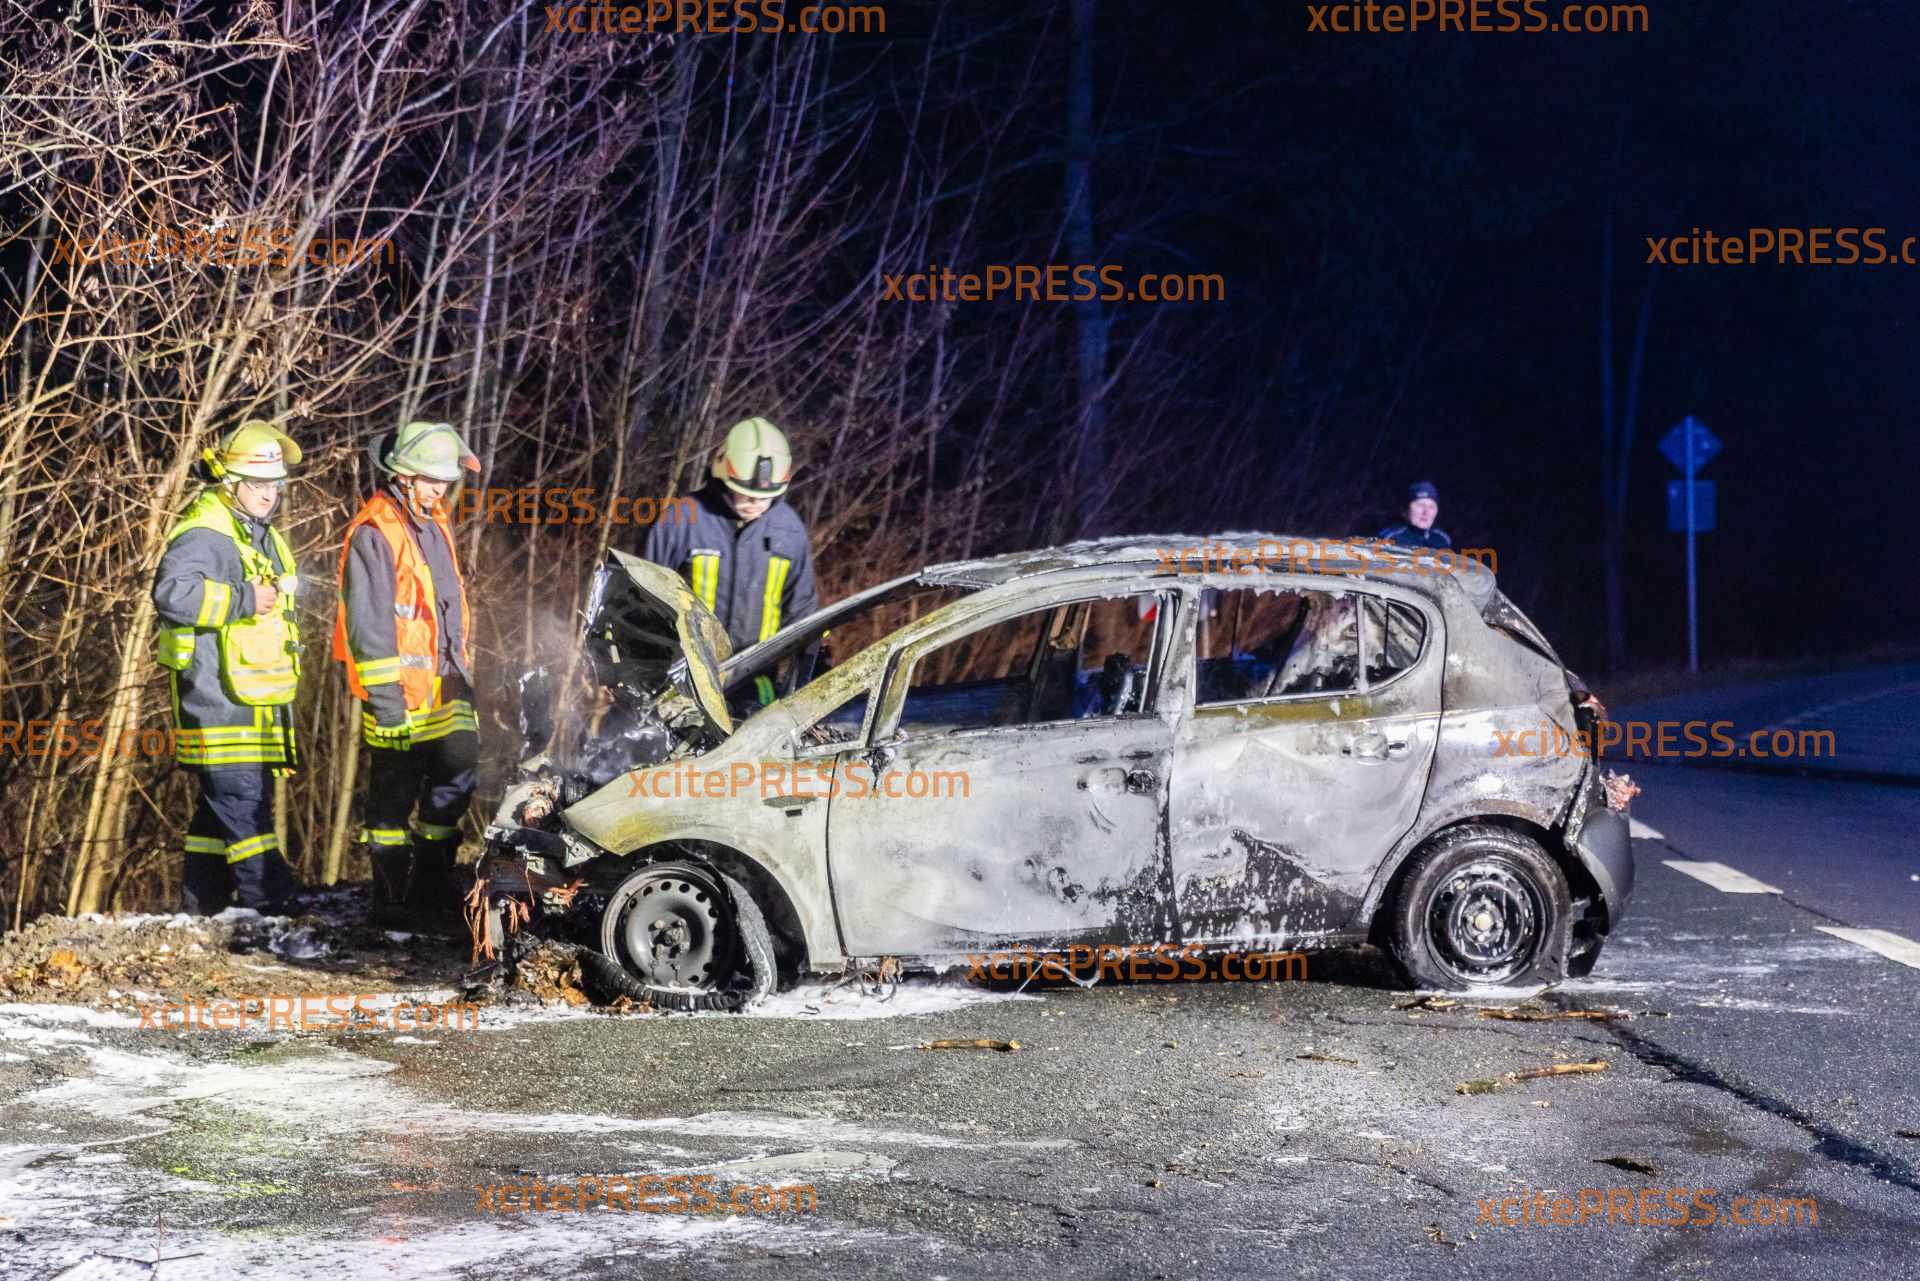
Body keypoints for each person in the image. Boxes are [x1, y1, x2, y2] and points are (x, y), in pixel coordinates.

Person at [151, 421, 305, 914]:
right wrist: (242, 599)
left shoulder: (259, 535)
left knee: (218, 811)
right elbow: (171, 594)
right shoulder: (206, 533)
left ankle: (204, 908)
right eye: (258, 484)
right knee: (243, 804)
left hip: (252, 701)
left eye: (275, 485)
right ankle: (270, 905)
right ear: (230, 483)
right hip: (217, 699)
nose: (269, 494)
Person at [333, 421, 481, 923]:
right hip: (398, 694)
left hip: (448, 683)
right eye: (432, 479)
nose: (441, 489)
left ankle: (431, 888)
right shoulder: (374, 532)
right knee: (392, 800)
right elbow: (368, 626)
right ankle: (392, 900)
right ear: (403, 475)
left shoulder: (435, 522)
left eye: (445, 480)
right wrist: (387, 702)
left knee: (455, 783)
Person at [643, 417, 819, 704]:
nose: (755, 502)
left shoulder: (790, 532)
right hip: (685, 679)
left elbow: (802, 612)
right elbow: (644, 596)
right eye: (746, 493)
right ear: (723, 475)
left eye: (765, 496)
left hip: (756, 681)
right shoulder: (682, 519)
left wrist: (804, 675)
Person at [1379, 481, 1452, 550]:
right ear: (1406, 509)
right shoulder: (1390, 537)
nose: (1426, 512)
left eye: (1431, 507)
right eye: (1420, 505)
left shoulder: (1442, 540)